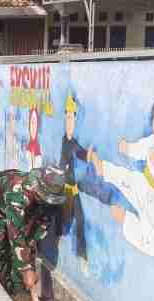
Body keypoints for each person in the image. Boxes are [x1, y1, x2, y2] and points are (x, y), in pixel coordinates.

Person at [87, 97, 154, 256]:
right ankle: (102, 168)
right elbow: (140, 148)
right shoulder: (153, 140)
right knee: (124, 176)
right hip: (142, 183)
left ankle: (126, 220)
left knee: (153, 241)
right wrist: (127, 148)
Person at [0, 166, 67, 293]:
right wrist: (27, 269)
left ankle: (18, 289)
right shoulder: (18, 195)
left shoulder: (48, 202)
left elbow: (34, 234)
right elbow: (16, 235)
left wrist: (27, 264)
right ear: (38, 189)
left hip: (9, 202)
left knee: (25, 246)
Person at [58, 93, 89, 263]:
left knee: (80, 219)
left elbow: (81, 153)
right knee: (64, 221)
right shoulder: (65, 142)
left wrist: (91, 156)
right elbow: (65, 162)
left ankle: (82, 255)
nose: (70, 121)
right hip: (65, 189)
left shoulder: (73, 142)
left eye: (73, 118)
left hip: (72, 189)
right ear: (65, 118)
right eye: (68, 117)